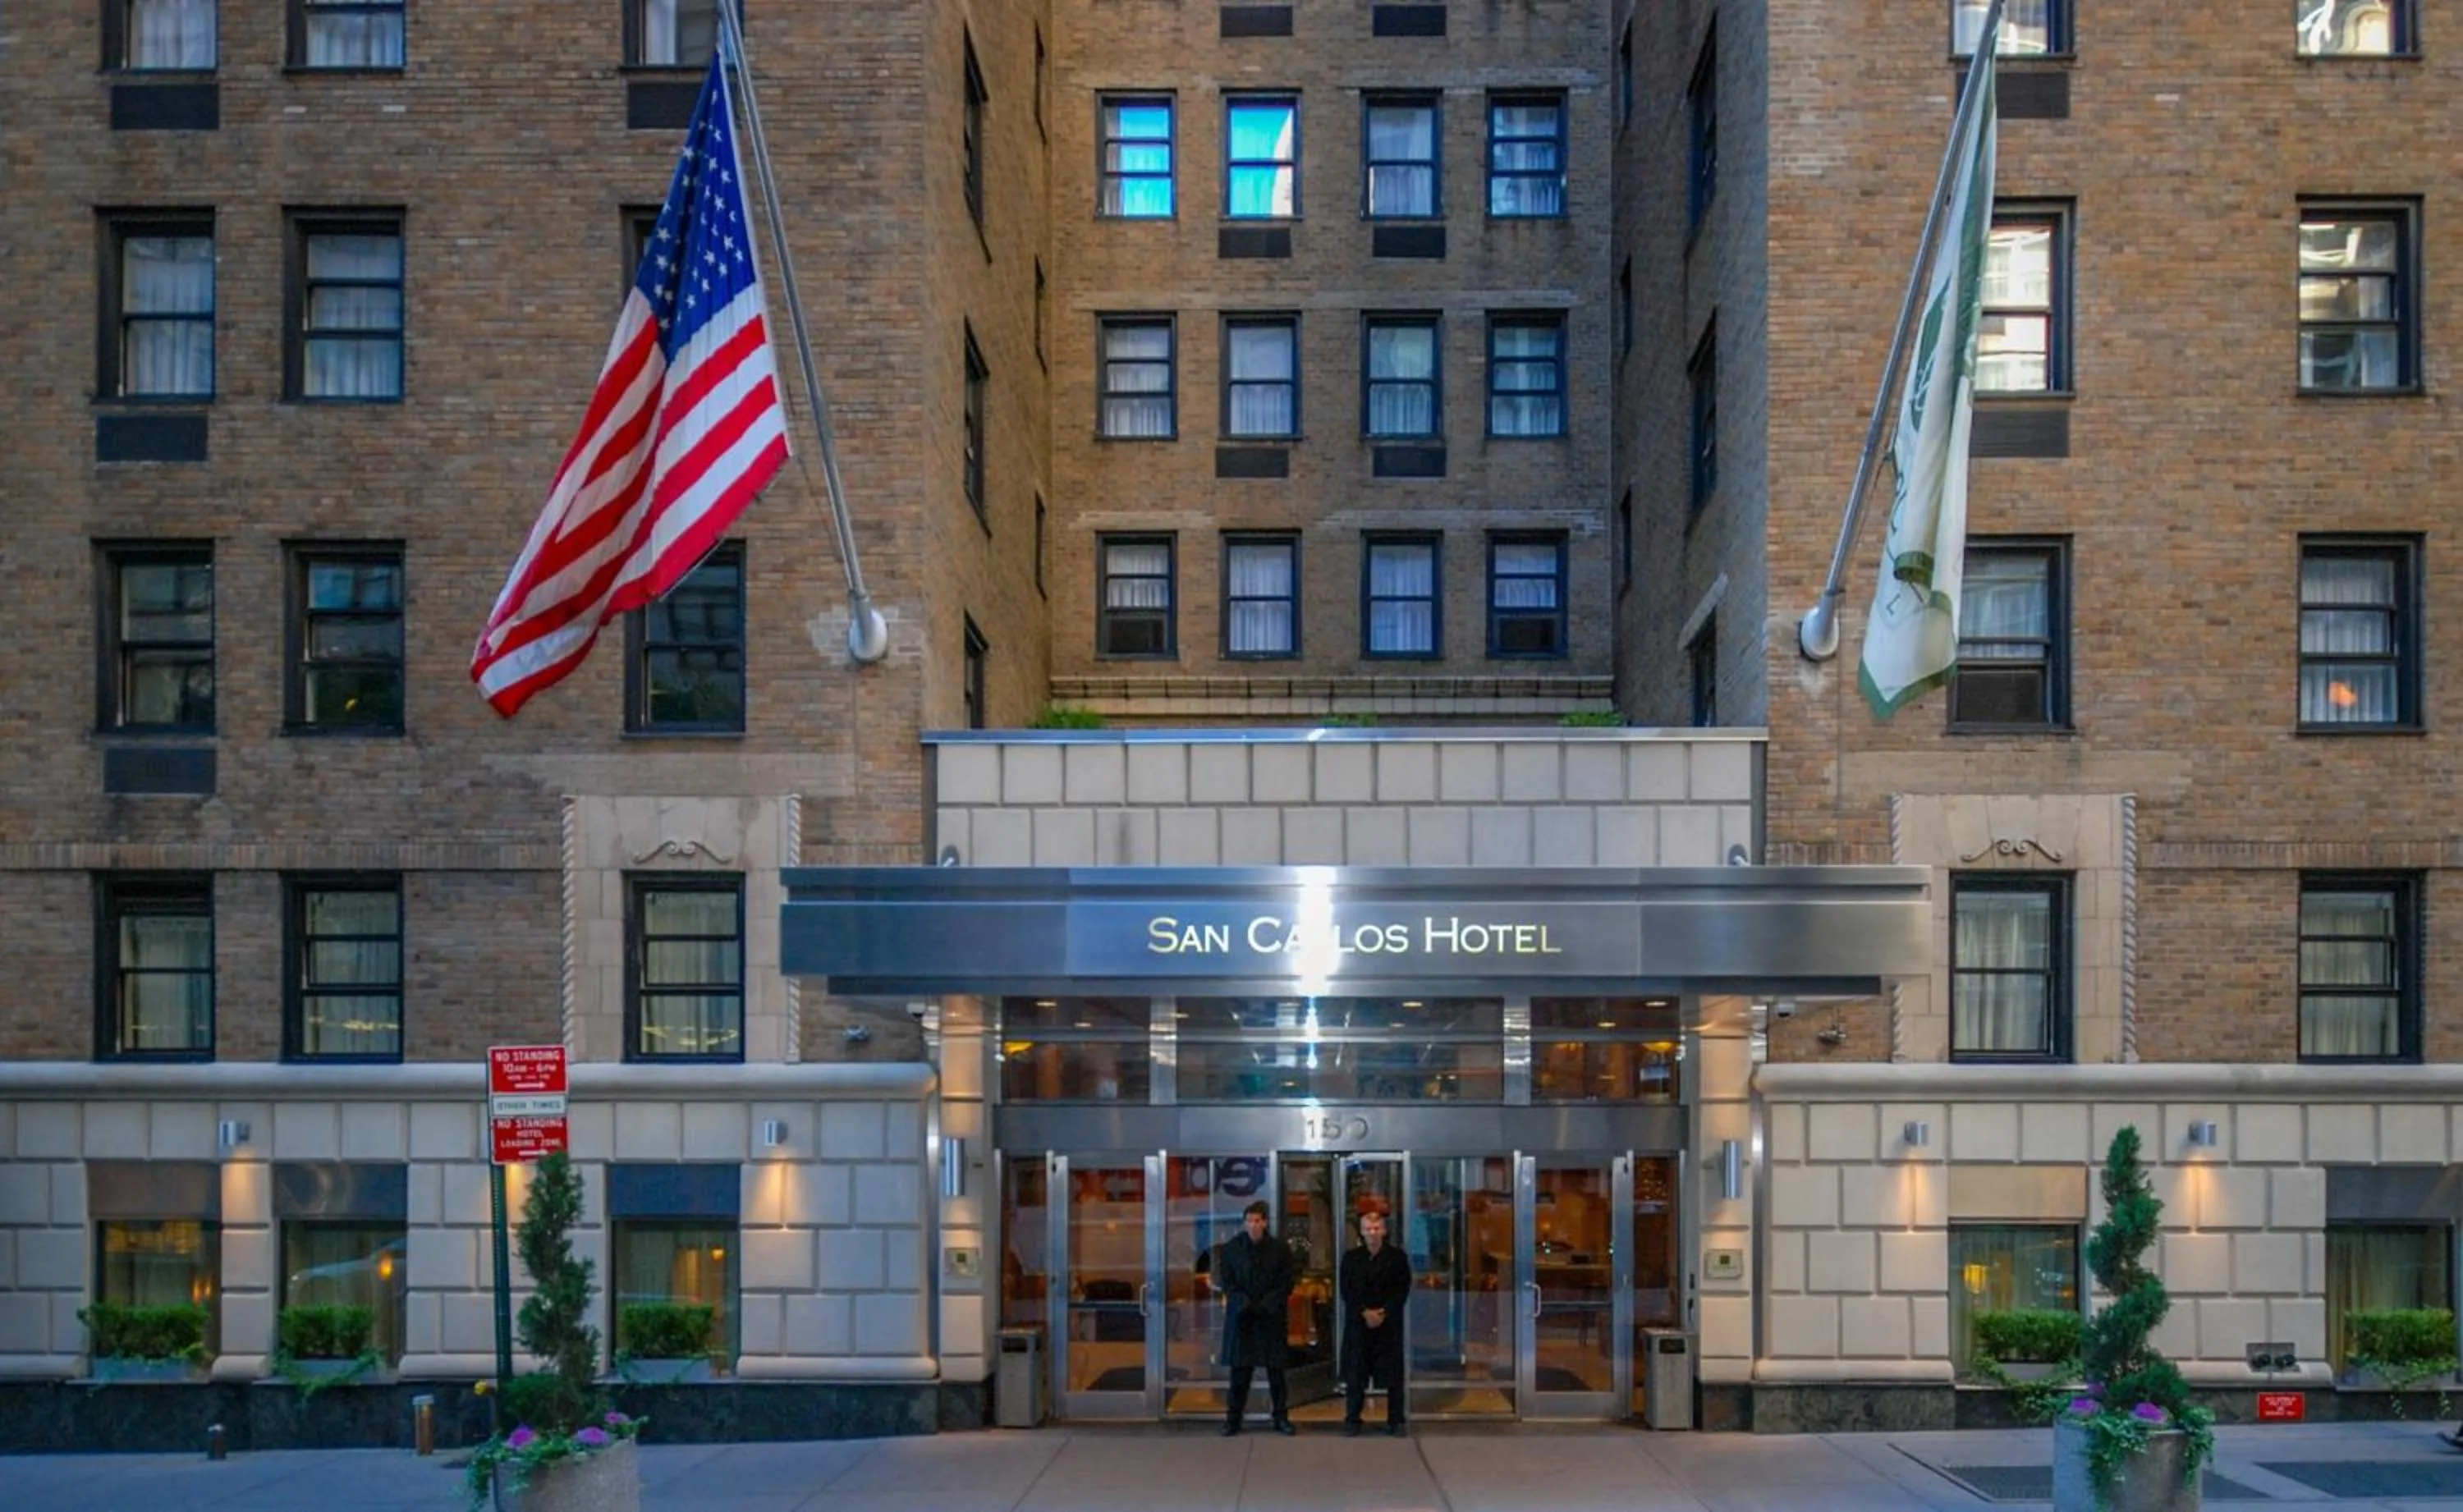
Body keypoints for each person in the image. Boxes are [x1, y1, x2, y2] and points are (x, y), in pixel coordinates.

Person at [1217, 1198, 1296, 1436]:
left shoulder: (1280, 1249)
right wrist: (1243, 1303)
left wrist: (1267, 1304)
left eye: (1258, 1221)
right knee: (1239, 1374)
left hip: (1270, 1318)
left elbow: (1287, 1283)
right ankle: (1233, 1420)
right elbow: (1227, 1282)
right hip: (1242, 1319)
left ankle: (1281, 1418)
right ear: (1244, 1223)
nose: (1253, 1225)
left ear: (1265, 1223)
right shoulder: (1232, 1249)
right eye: (1249, 1221)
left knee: (1276, 1373)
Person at [1337, 1208, 1411, 1436]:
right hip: (1358, 1325)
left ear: (1384, 1230)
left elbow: (1402, 1289)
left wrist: (1384, 1312)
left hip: (1388, 1325)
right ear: (1361, 1232)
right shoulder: (1351, 1258)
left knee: (1393, 1376)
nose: (1373, 1233)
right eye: (1368, 1229)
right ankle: (1352, 1420)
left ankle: (1396, 1420)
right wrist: (1364, 1312)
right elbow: (1346, 1290)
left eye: (1377, 1228)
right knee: (1355, 1375)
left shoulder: (1397, 1257)